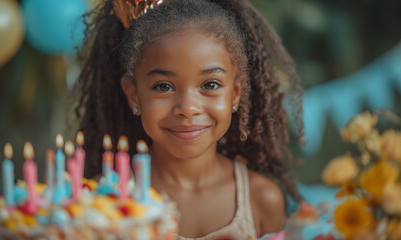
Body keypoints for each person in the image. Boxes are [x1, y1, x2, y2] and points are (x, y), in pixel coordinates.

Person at [74, 0, 305, 239]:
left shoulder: (262, 199)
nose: (188, 108)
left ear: (236, 92)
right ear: (133, 95)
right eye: (163, 87)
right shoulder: (103, 201)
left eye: (210, 85)